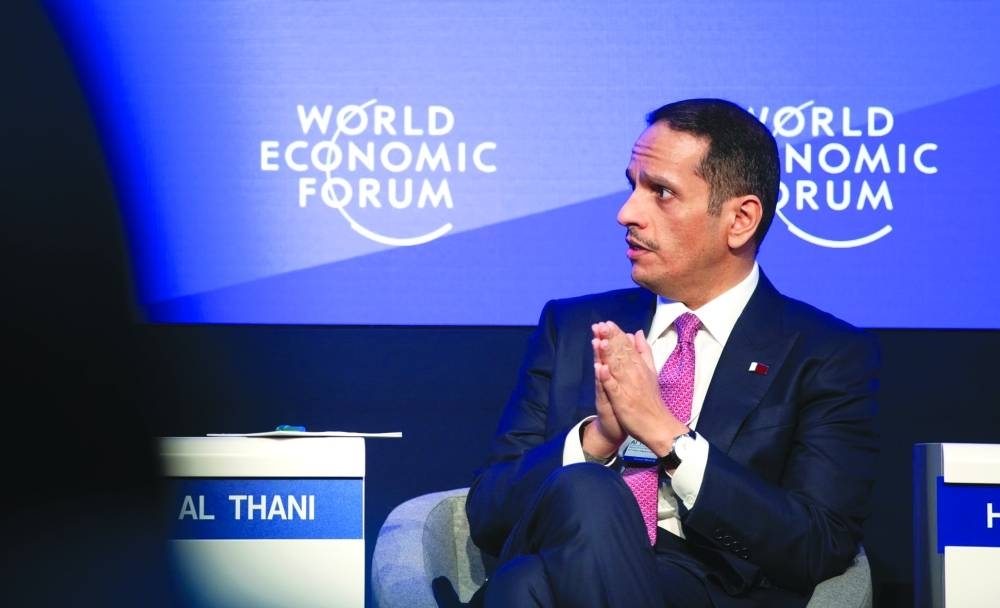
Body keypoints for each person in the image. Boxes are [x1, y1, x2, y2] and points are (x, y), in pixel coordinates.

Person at [465, 98, 879, 607]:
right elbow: (488, 513)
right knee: (585, 491)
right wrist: (598, 438)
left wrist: (665, 435)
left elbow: (817, 544)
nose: (626, 213)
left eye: (660, 192)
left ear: (740, 220)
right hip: (568, 557)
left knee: (523, 585)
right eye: (632, 185)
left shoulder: (825, 353)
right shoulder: (573, 328)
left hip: (712, 588)